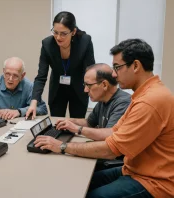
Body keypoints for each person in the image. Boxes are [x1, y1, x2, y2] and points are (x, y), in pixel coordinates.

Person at [34, 39, 174, 197]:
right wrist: (74, 128)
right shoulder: (143, 95)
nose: (114, 74)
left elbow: (111, 150)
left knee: (90, 195)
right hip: (132, 169)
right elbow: (113, 132)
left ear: (135, 66)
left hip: (154, 182)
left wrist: (62, 147)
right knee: (77, 182)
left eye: (117, 67)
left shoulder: (150, 101)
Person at [26, 11, 95, 119]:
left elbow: (90, 70)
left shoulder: (84, 42)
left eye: (63, 33)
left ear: (73, 31)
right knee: (56, 123)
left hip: (78, 88)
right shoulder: (47, 44)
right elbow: (41, 77)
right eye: (55, 32)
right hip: (57, 89)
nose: (58, 37)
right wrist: (33, 103)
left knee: (76, 123)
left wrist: (92, 91)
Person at [55, 63, 130, 141]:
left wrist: (77, 129)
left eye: (88, 85)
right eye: (85, 85)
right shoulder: (103, 100)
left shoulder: (123, 103)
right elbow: (89, 123)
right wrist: (69, 122)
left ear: (104, 85)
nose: (85, 90)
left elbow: (109, 135)